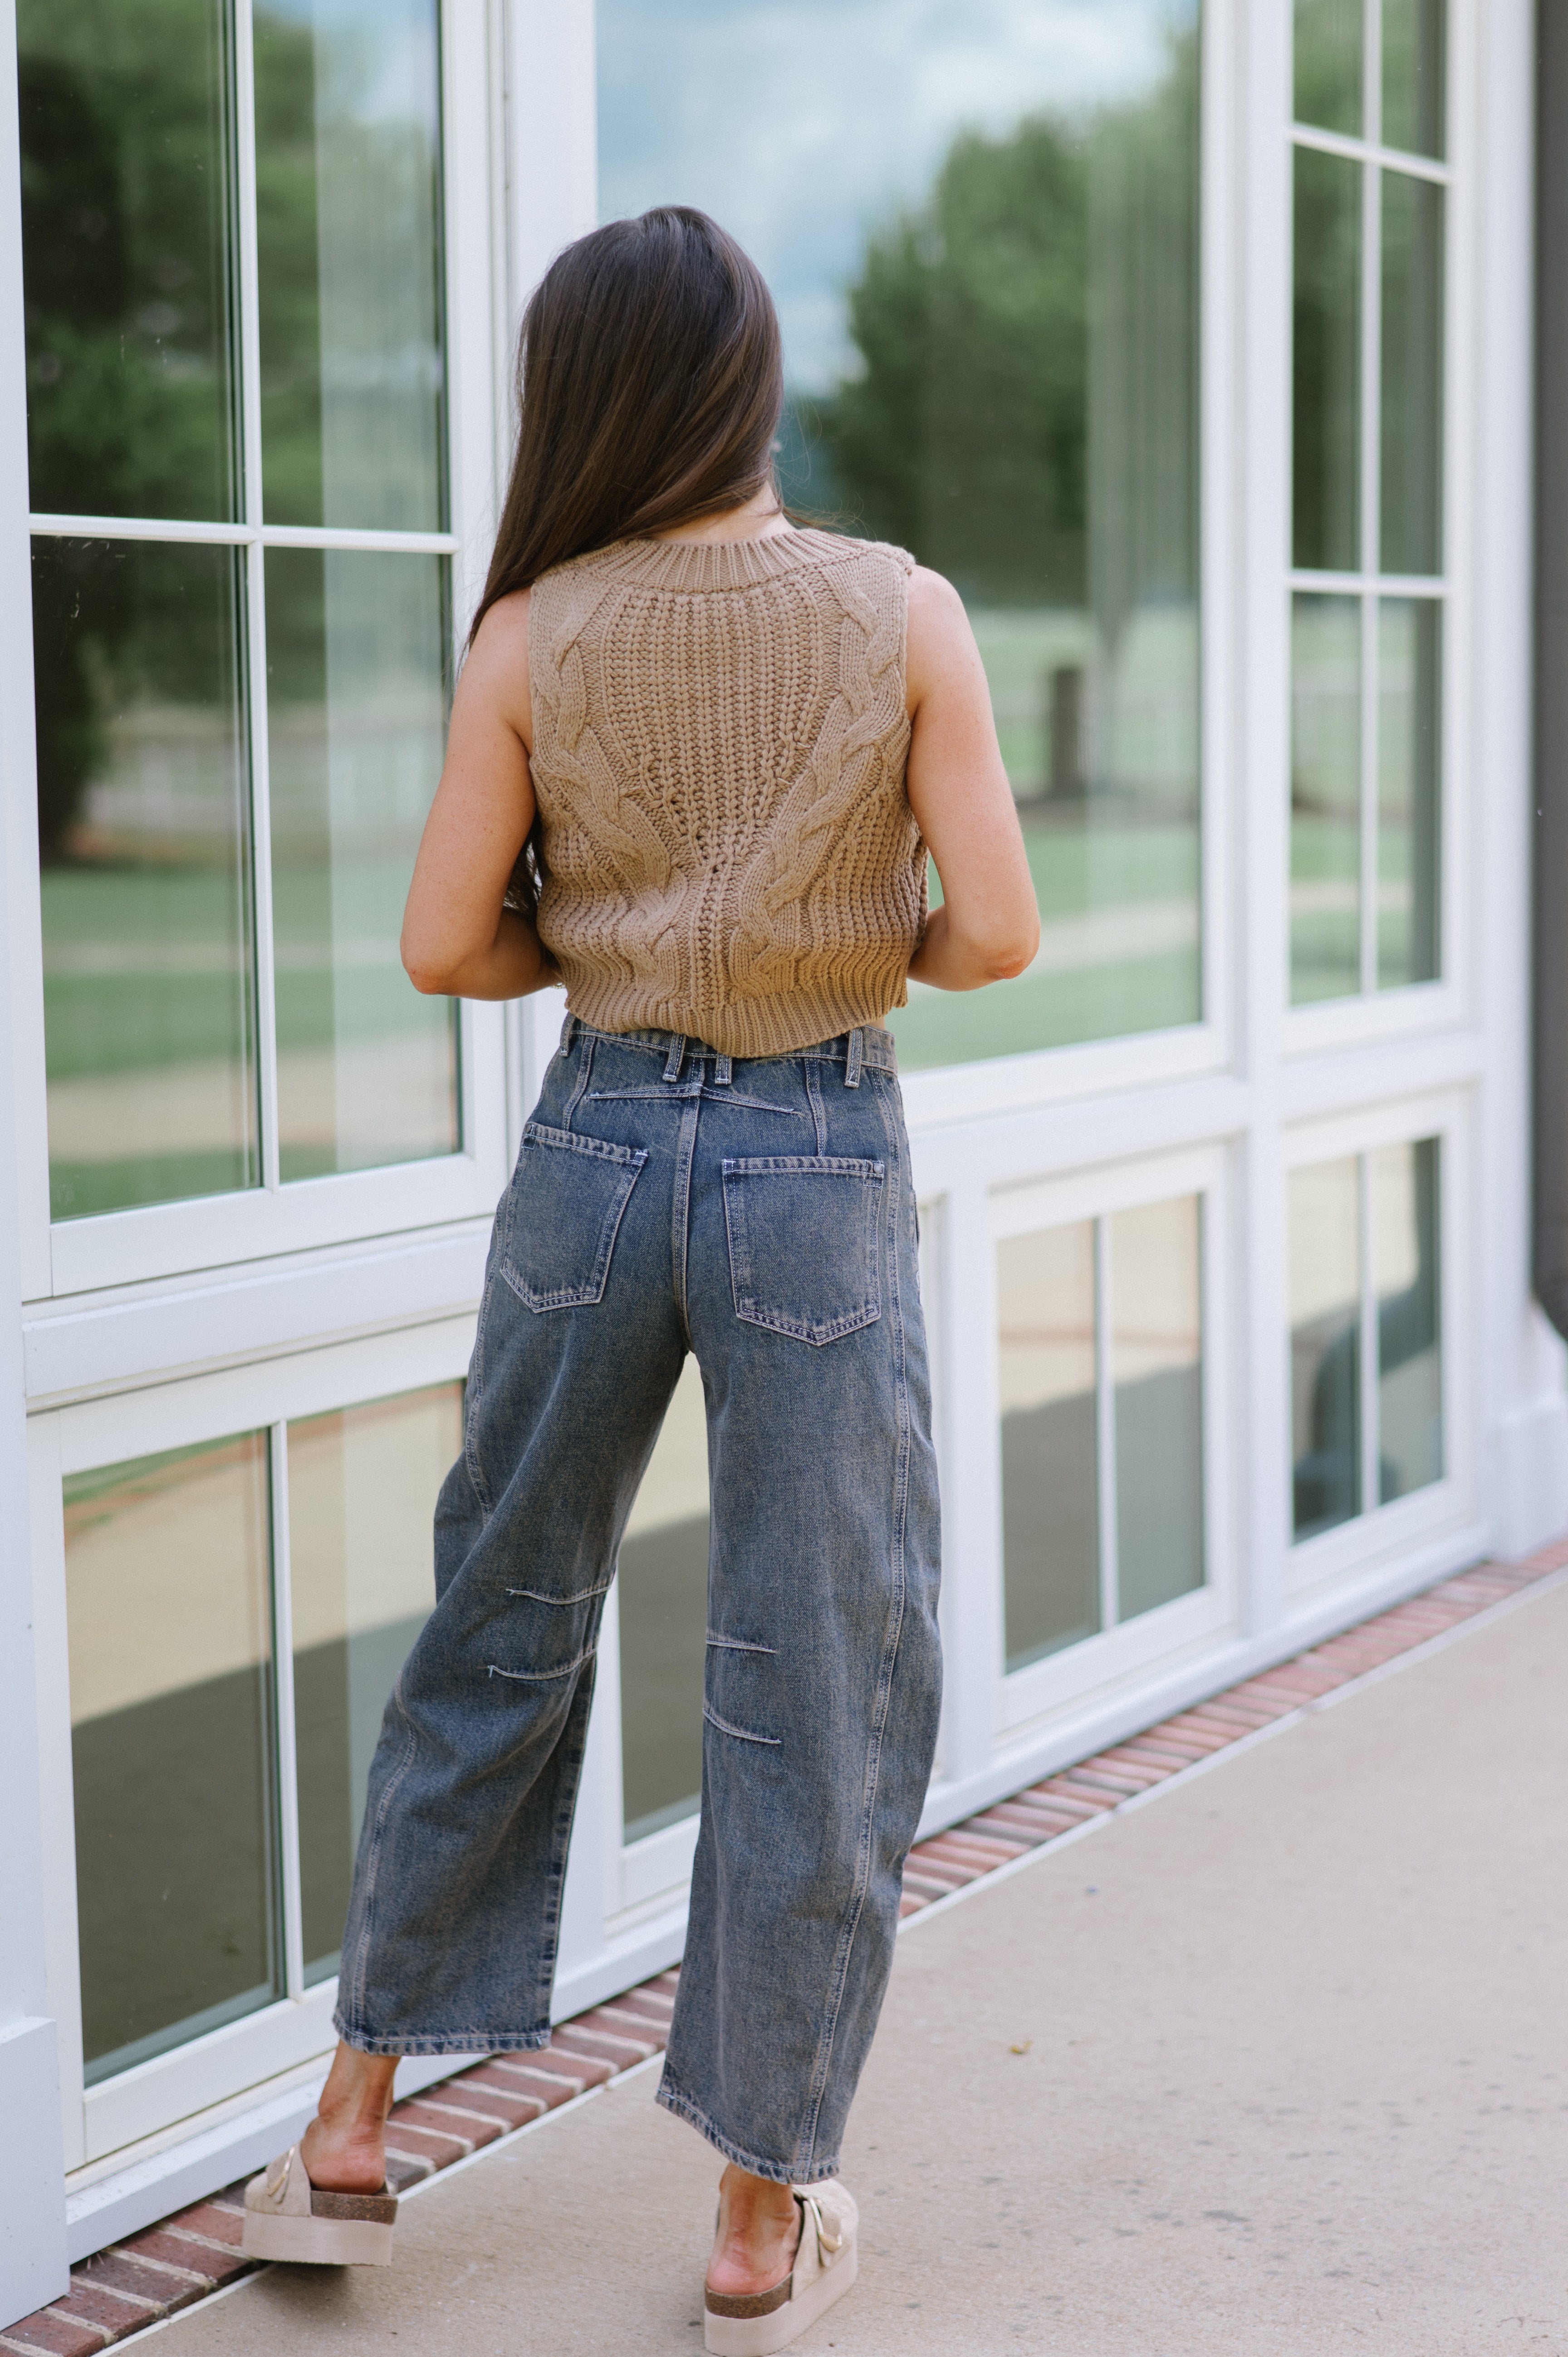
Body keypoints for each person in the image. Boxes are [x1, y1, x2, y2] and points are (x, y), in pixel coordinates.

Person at [241, 205, 1039, 2354]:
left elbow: (442, 945)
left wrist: (608, 953)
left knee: (501, 1612)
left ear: (584, 395)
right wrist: (839, 947)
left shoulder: (532, 631)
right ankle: (761, 2213)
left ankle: (347, 2119)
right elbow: (999, 931)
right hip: (810, 1160)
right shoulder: (905, 614)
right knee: (816, 1666)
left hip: (591, 1157)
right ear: (752, 384)